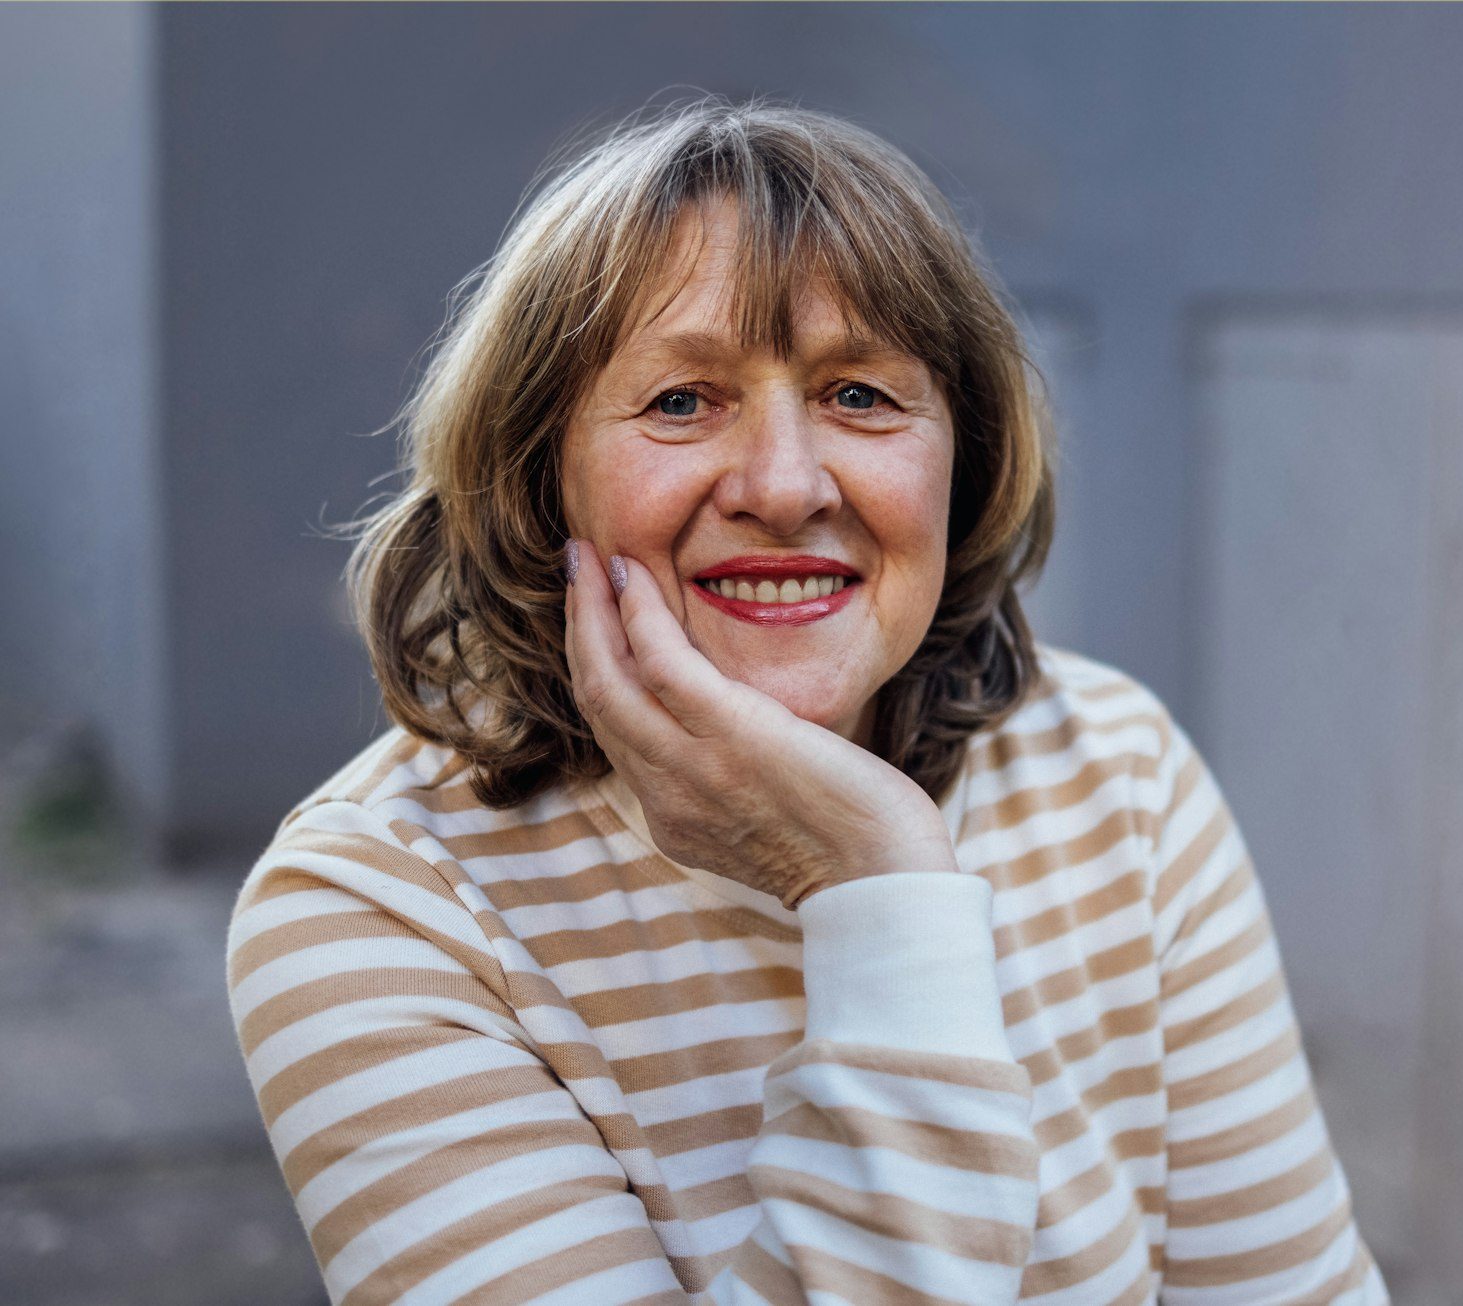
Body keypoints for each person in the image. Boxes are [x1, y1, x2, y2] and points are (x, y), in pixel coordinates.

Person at [226, 97, 1390, 1304]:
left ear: (963, 460)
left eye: (860, 396)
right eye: (682, 400)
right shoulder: (375, 912)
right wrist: (879, 899)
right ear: (538, 475)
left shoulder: (1115, 774)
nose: (785, 487)